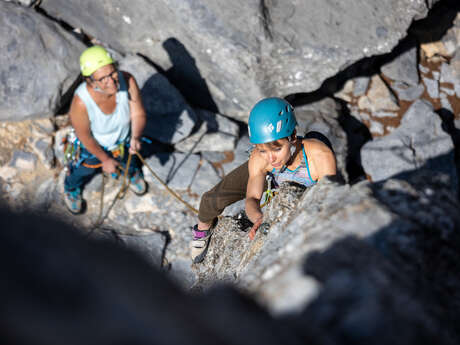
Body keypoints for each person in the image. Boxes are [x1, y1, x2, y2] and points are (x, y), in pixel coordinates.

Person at [190, 97, 337, 263]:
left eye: (277, 148)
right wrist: (259, 219)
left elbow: (330, 200)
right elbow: (252, 198)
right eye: (262, 150)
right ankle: (202, 229)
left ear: (293, 135)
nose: (271, 157)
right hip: (271, 175)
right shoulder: (261, 158)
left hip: (306, 173)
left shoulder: (319, 157)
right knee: (212, 200)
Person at [63, 45, 147, 214]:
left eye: (113, 72)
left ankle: (131, 173)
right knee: (83, 169)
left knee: (129, 160)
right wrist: (104, 159)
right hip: (93, 146)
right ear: (90, 81)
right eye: (103, 79)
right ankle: (71, 188)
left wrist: (136, 137)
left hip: (123, 140)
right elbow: (85, 137)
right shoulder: (81, 103)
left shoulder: (127, 80)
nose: (112, 81)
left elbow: (137, 113)